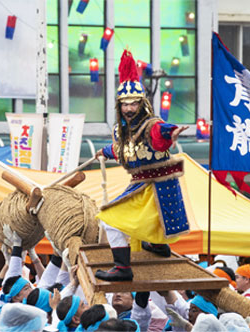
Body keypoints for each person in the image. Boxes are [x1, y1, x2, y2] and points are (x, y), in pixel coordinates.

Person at [93, 50, 188, 282]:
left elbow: (159, 135)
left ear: (142, 104)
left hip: (154, 187)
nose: (129, 109)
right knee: (142, 224)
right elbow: (123, 150)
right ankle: (158, 245)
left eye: (134, 103)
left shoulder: (151, 124)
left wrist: (170, 133)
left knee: (109, 219)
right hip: (144, 186)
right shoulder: (121, 131)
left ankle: (123, 268)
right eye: (125, 104)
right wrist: (104, 151)